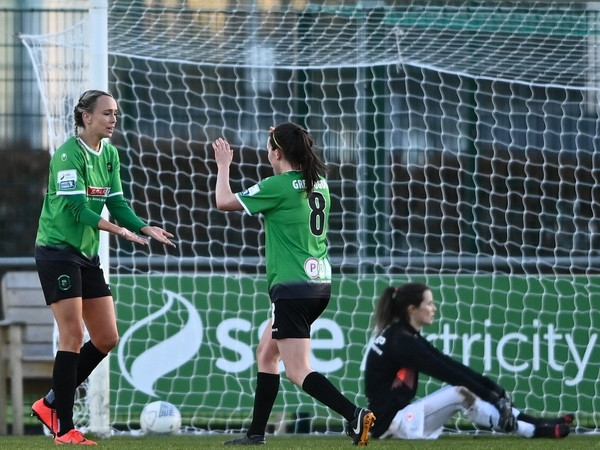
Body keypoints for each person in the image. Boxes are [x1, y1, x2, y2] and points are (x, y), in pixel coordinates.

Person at [213, 122, 375, 446]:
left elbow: (224, 201)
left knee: (297, 370)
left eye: (269, 148)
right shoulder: (319, 183)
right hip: (319, 285)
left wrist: (223, 166)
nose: (267, 153)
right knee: (266, 353)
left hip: (291, 288)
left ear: (277, 153)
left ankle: (353, 414)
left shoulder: (279, 185)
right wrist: (284, 136)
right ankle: (255, 434)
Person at [30, 89, 175, 445]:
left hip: (86, 254)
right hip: (57, 252)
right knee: (72, 335)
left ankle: (50, 402)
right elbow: (80, 211)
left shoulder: (109, 154)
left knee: (107, 336)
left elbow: (117, 202)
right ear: (86, 117)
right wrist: (119, 230)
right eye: (107, 113)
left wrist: (142, 226)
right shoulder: (67, 156)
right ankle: (64, 428)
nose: (113, 119)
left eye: (115, 113)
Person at [364, 281, 574, 440]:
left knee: (464, 389)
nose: (433, 308)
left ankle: (537, 422)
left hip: (397, 420)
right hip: (391, 425)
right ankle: (533, 430)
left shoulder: (404, 335)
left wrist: (493, 391)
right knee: (459, 393)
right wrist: (494, 397)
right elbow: (449, 373)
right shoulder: (401, 342)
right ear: (412, 309)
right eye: (429, 303)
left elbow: (449, 364)